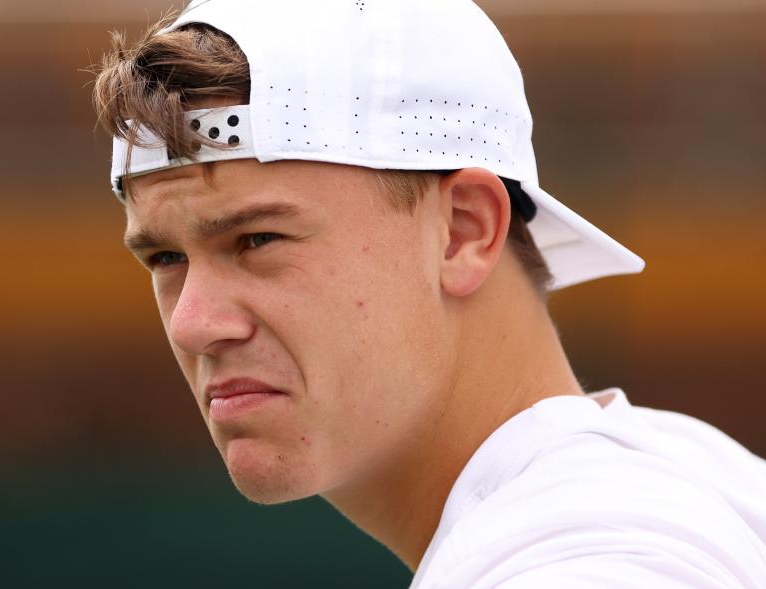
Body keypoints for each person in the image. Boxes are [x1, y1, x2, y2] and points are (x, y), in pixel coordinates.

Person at [91, 1, 766, 586]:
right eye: (166, 256)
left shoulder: (596, 554)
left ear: (463, 232)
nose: (193, 322)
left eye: (258, 239)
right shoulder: (690, 477)